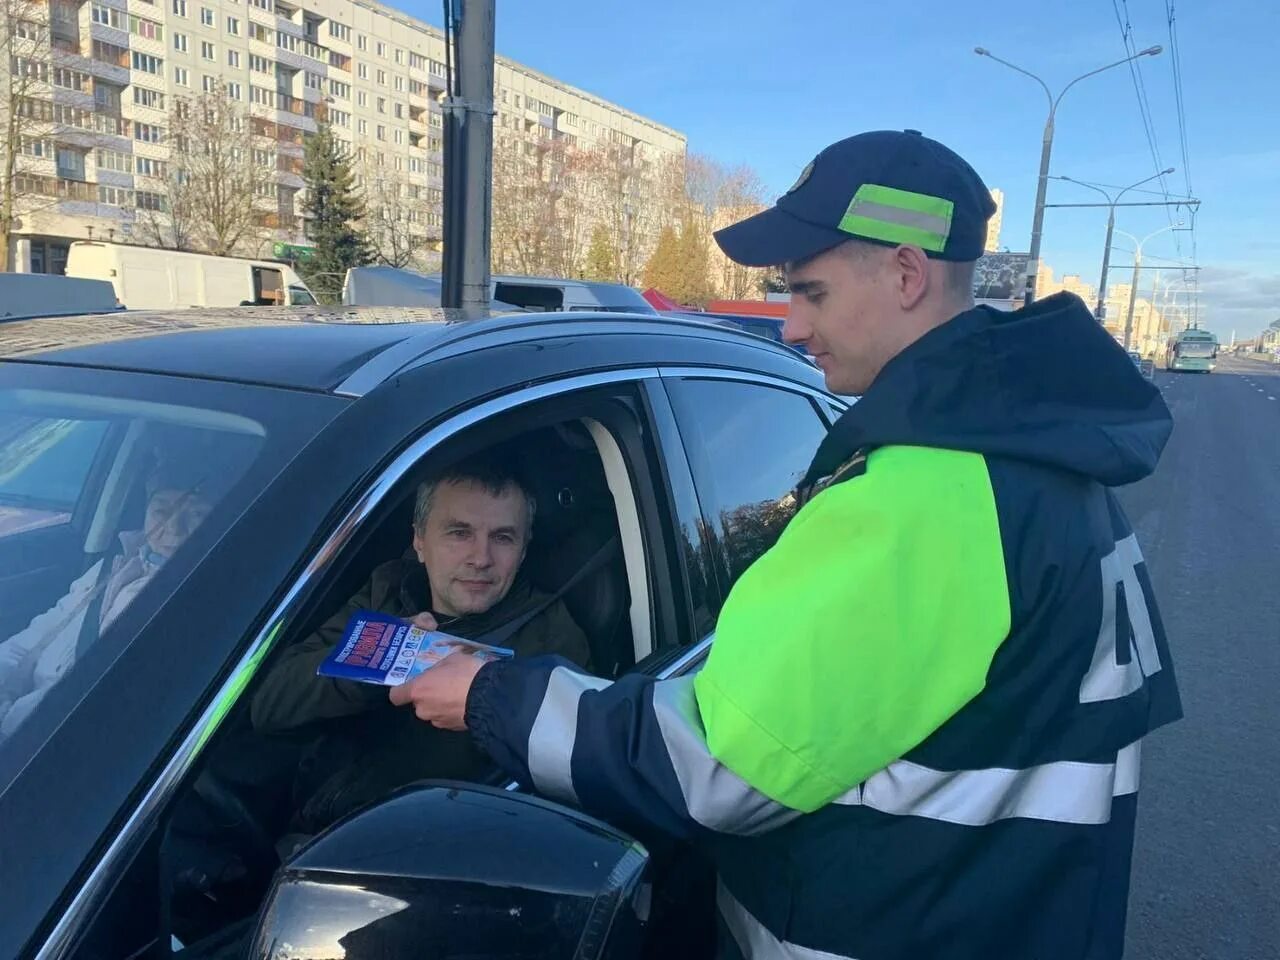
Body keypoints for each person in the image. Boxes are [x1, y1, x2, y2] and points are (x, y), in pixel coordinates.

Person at [390, 130, 1182, 960]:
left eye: (811, 292)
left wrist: (490, 695)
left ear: (907, 275)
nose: (793, 328)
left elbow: (715, 763)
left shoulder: (929, 497)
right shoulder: (1043, 465)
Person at [250, 453, 590, 834]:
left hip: (419, 843)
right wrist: (379, 660)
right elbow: (269, 703)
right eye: (459, 533)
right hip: (313, 814)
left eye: (503, 537)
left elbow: (561, 775)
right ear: (419, 540)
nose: (481, 558)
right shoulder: (387, 591)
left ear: (524, 550)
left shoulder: (550, 637)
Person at [0, 461, 213, 741]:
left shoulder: (200, 601)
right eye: (162, 510)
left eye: (196, 514)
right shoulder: (111, 567)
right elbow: (35, 638)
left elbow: (90, 706)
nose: (174, 528)